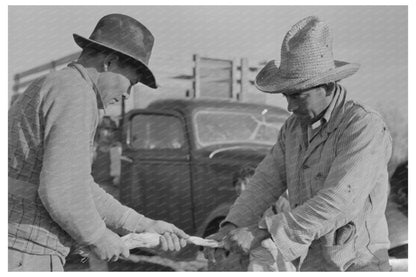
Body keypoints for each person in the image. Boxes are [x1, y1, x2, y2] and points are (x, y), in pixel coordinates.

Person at [204, 16, 392, 271]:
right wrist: (230, 227)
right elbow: (265, 181)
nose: (290, 107)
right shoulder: (293, 129)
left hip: (357, 264)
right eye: (286, 96)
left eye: (297, 96)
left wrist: (260, 231)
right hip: (312, 263)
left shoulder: (362, 126)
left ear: (326, 86)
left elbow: (339, 201)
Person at [8, 14, 189, 272]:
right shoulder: (76, 94)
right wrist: (98, 237)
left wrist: (143, 224)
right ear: (110, 62)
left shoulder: (60, 85)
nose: (127, 93)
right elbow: (62, 192)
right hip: (25, 251)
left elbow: (77, 185)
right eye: (131, 82)